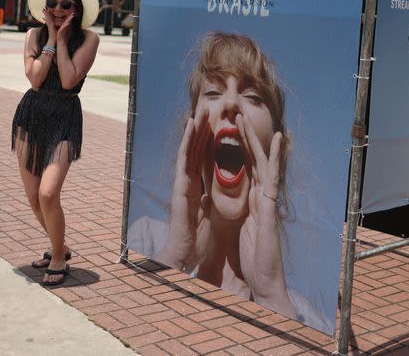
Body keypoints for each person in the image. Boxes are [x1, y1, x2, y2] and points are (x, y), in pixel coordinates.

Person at [130, 32, 304, 320]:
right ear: (191, 132)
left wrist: (270, 295)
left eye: (253, 96)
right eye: (212, 92)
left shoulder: (298, 310)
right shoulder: (146, 241)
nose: (231, 103)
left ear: (277, 149)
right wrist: (175, 258)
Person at [11, 0, 100, 286]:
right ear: (44, 9)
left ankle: (59, 257)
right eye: (52, 4)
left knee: (49, 193)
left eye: (66, 5)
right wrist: (49, 36)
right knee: (35, 199)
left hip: (65, 116)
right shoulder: (33, 35)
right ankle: (58, 246)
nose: (58, 10)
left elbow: (67, 80)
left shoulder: (90, 39)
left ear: (77, 10)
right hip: (31, 115)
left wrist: (61, 40)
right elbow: (36, 80)